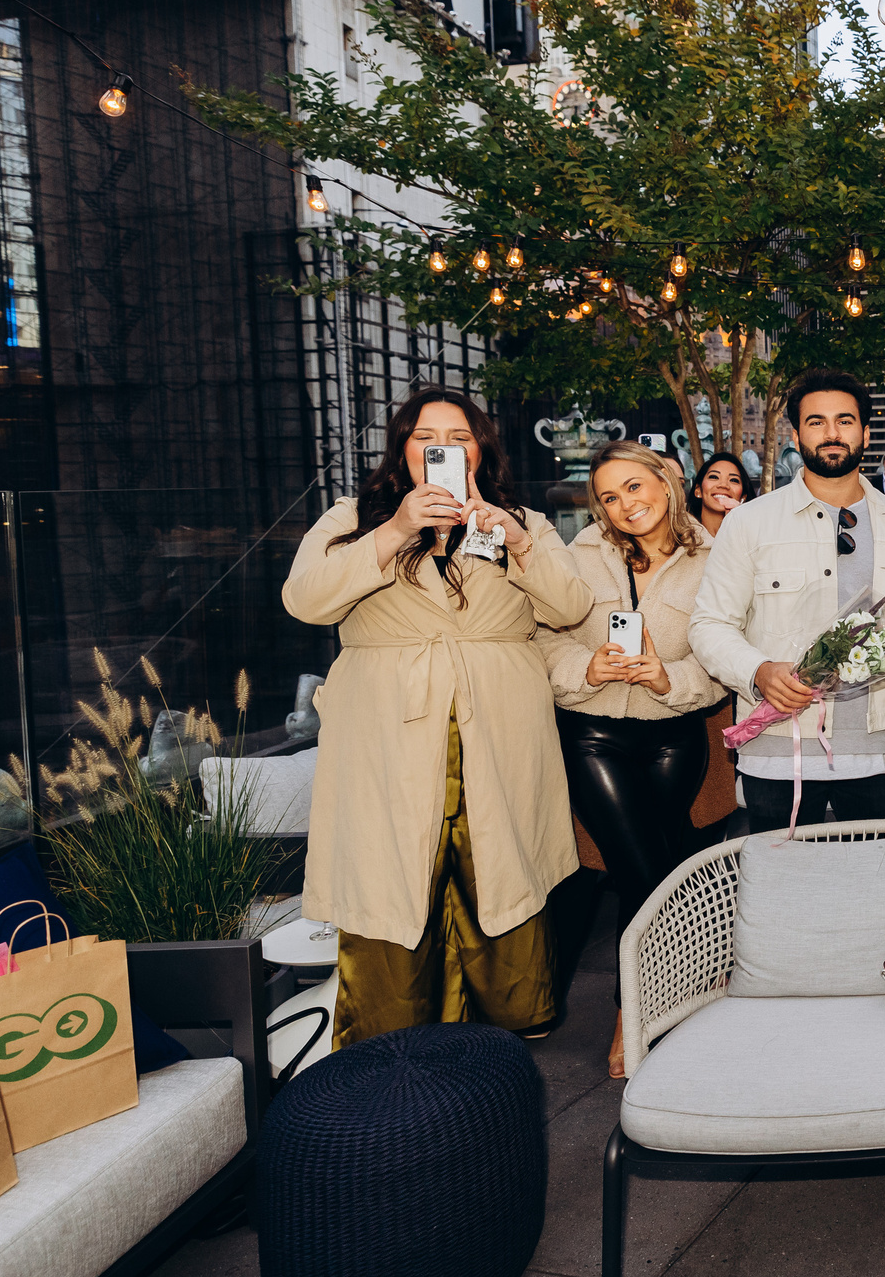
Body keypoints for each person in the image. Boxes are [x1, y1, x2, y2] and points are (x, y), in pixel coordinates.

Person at [283, 386, 593, 1048]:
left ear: (481, 449)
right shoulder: (354, 515)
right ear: (403, 448)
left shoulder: (523, 521)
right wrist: (395, 529)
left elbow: (570, 607)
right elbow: (305, 599)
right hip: (387, 728)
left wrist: (516, 542)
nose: (443, 449)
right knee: (390, 872)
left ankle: (511, 1026)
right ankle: (389, 1037)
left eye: (460, 436)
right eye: (426, 437)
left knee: (502, 862)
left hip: (499, 722)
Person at [541, 440, 727, 1077]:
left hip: (676, 736)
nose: (625, 506)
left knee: (660, 863)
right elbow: (542, 640)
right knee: (642, 871)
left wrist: (669, 676)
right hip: (593, 734)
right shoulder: (578, 555)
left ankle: (666, 1001)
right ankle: (637, 1012)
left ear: (667, 483)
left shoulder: (714, 558)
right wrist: (585, 667)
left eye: (635, 488)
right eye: (610, 497)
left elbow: (726, 656)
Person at [690, 371, 885, 832]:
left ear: (865, 432)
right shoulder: (750, 523)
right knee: (783, 894)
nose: (832, 433)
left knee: (876, 890)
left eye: (844, 421)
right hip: (779, 750)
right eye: (816, 422)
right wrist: (759, 672)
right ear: (797, 435)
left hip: (880, 750)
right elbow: (709, 625)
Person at [690, 451, 750, 536]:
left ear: (743, 497)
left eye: (733, 480)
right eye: (714, 477)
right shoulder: (680, 537)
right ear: (698, 490)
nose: (723, 485)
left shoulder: (754, 539)